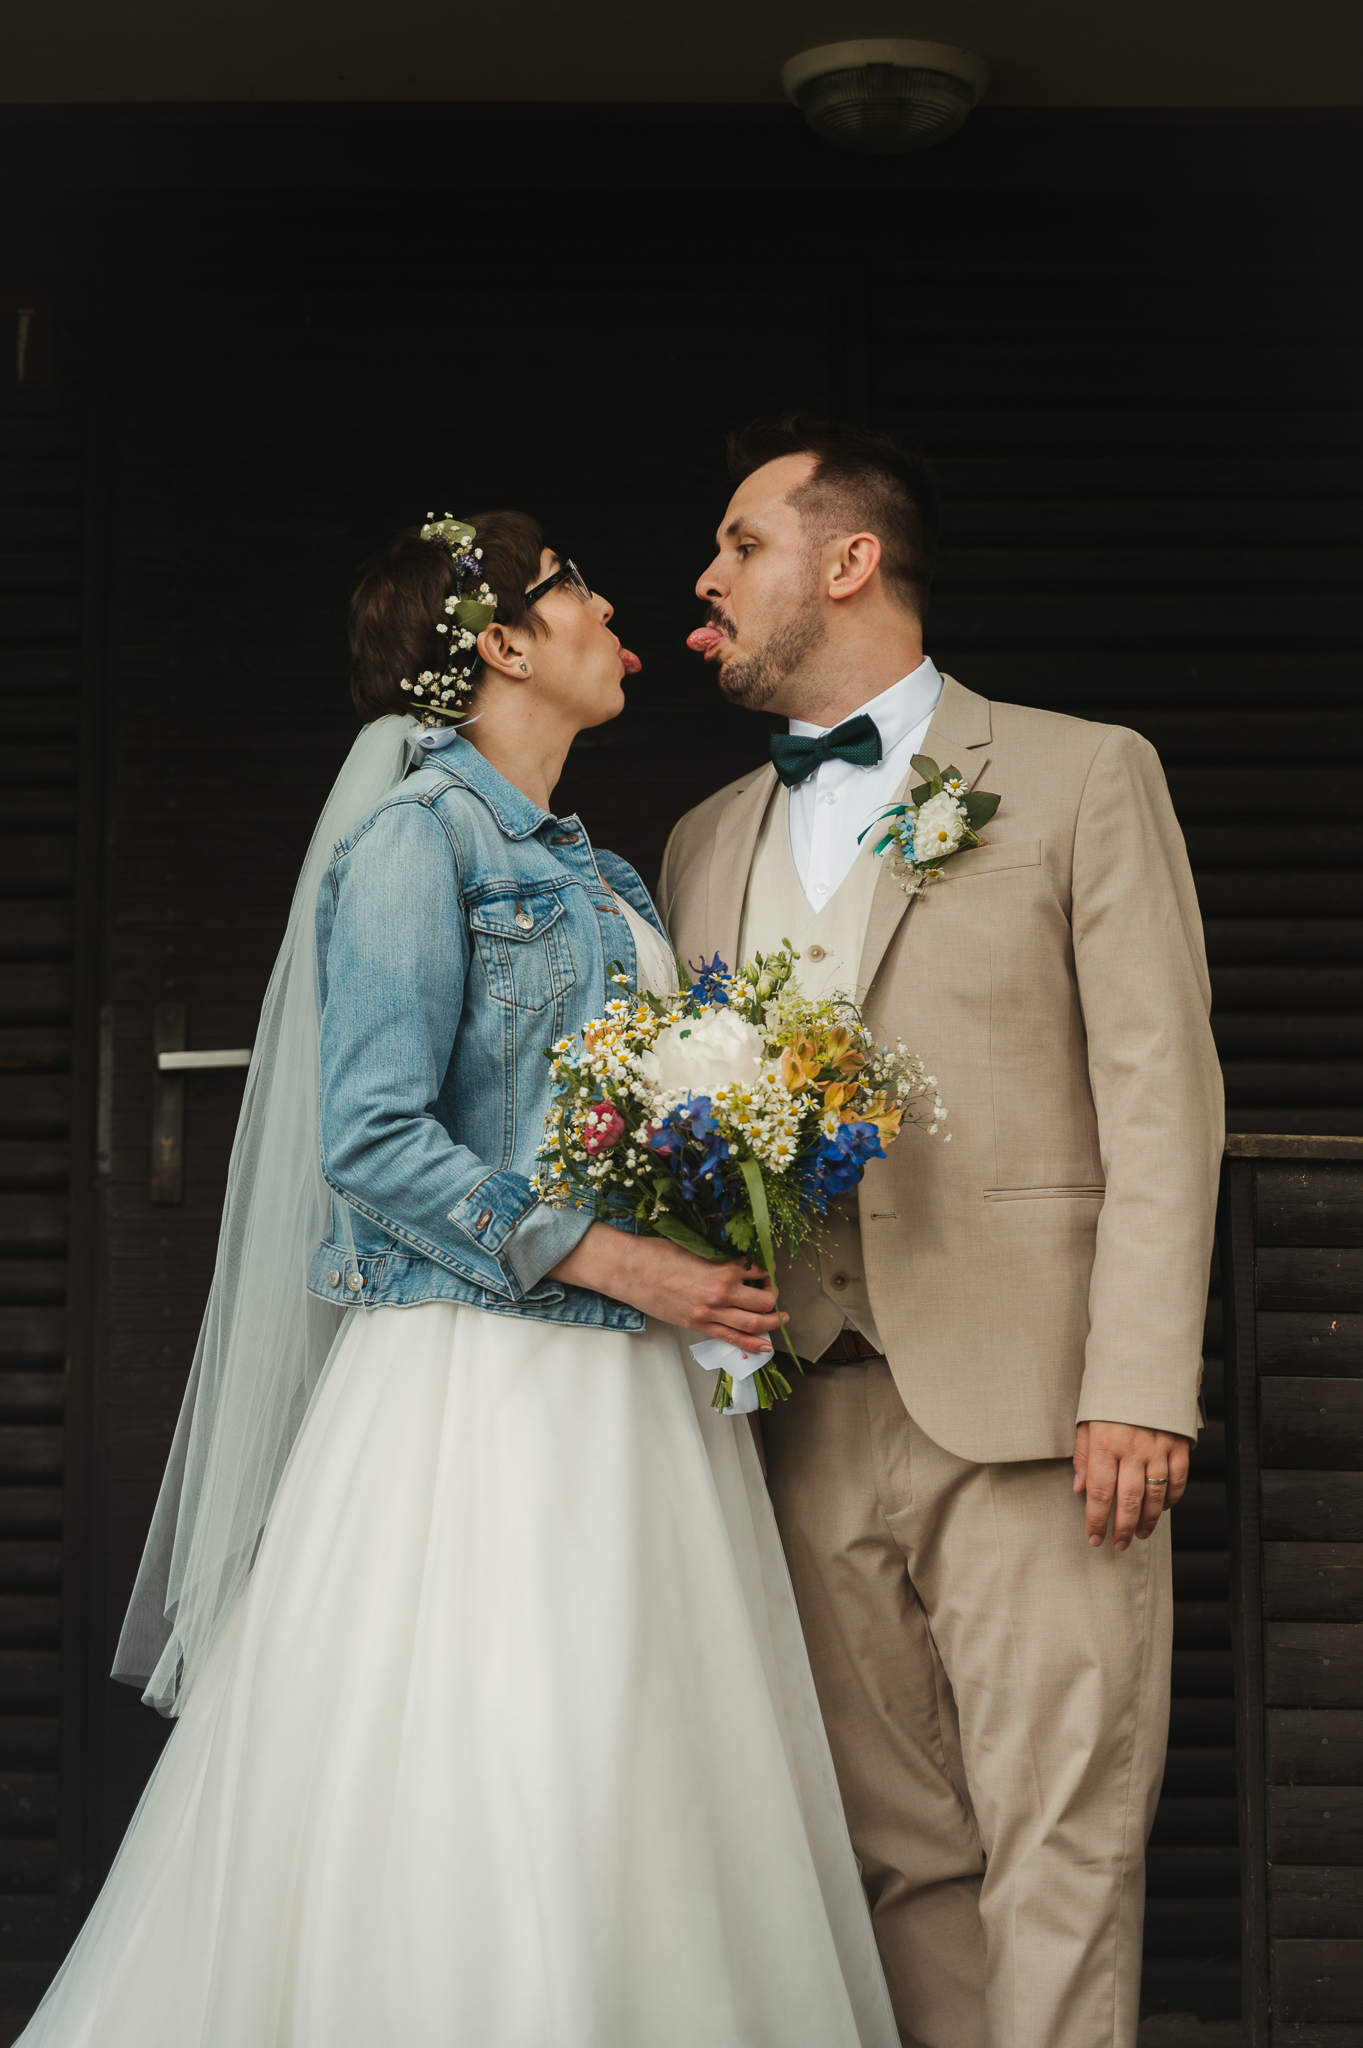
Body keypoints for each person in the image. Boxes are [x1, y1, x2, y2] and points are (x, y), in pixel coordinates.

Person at [18, 511, 899, 2048]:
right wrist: (618, 1259)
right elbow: (369, 1138)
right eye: (575, 588)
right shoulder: (415, 844)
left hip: (635, 1385)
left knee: (639, 1757)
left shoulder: (604, 869)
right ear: (499, 643)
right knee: (496, 1742)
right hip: (479, 1383)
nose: (613, 608)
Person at [659, 418, 1225, 2048]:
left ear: (850, 562)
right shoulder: (703, 839)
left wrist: (1141, 1381)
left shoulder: (1080, 773)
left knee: (1064, 1845)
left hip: (1042, 1410)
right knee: (897, 1855)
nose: (706, 580)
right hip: (800, 1413)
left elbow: (1161, 1095)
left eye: (740, 543)